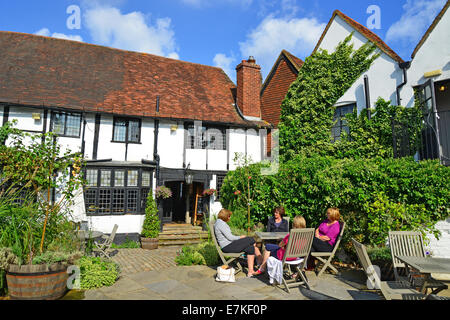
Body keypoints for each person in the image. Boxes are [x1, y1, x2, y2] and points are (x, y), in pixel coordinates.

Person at [214, 208, 263, 277]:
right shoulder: (221, 224)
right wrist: (240, 237)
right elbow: (230, 237)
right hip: (228, 247)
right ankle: (260, 261)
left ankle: (250, 272)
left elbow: (229, 237)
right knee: (251, 239)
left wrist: (240, 238)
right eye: (229, 216)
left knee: (251, 248)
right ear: (225, 216)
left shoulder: (220, 222)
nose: (230, 218)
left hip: (229, 245)